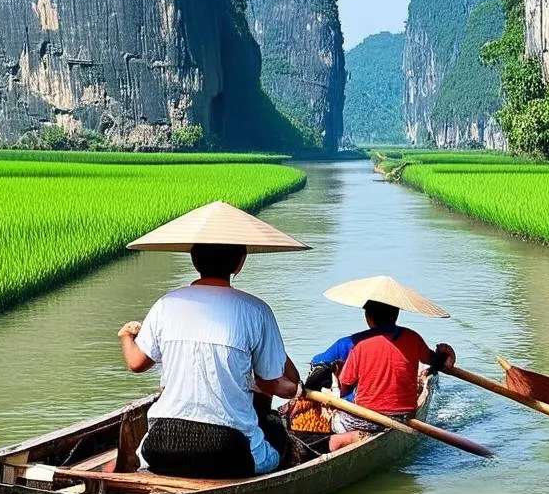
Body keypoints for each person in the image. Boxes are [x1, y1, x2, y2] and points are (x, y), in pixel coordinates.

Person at [118, 201, 311, 478]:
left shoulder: (166, 304)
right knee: (276, 432)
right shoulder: (256, 310)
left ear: (194, 260)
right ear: (240, 263)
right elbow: (270, 383)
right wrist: (295, 390)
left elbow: (136, 362)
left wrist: (126, 336)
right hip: (227, 450)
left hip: (160, 445)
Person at [327, 298, 456, 451]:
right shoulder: (413, 338)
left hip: (367, 421)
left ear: (368, 318)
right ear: (396, 315)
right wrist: (446, 354)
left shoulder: (361, 345)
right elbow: (436, 362)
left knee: (334, 420)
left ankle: (354, 436)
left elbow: (345, 386)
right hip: (405, 417)